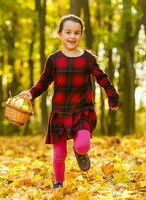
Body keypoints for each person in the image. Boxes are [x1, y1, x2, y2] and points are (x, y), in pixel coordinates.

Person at [19, 14, 119, 189]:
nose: (72, 36)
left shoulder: (88, 59)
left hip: (82, 110)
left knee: (82, 145)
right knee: (59, 153)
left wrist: (112, 95)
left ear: (81, 35)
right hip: (60, 111)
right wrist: (31, 93)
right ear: (60, 34)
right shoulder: (54, 60)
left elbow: (102, 78)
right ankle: (58, 183)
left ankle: (80, 153)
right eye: (68, 32)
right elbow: (44, 81)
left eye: (76, 32)